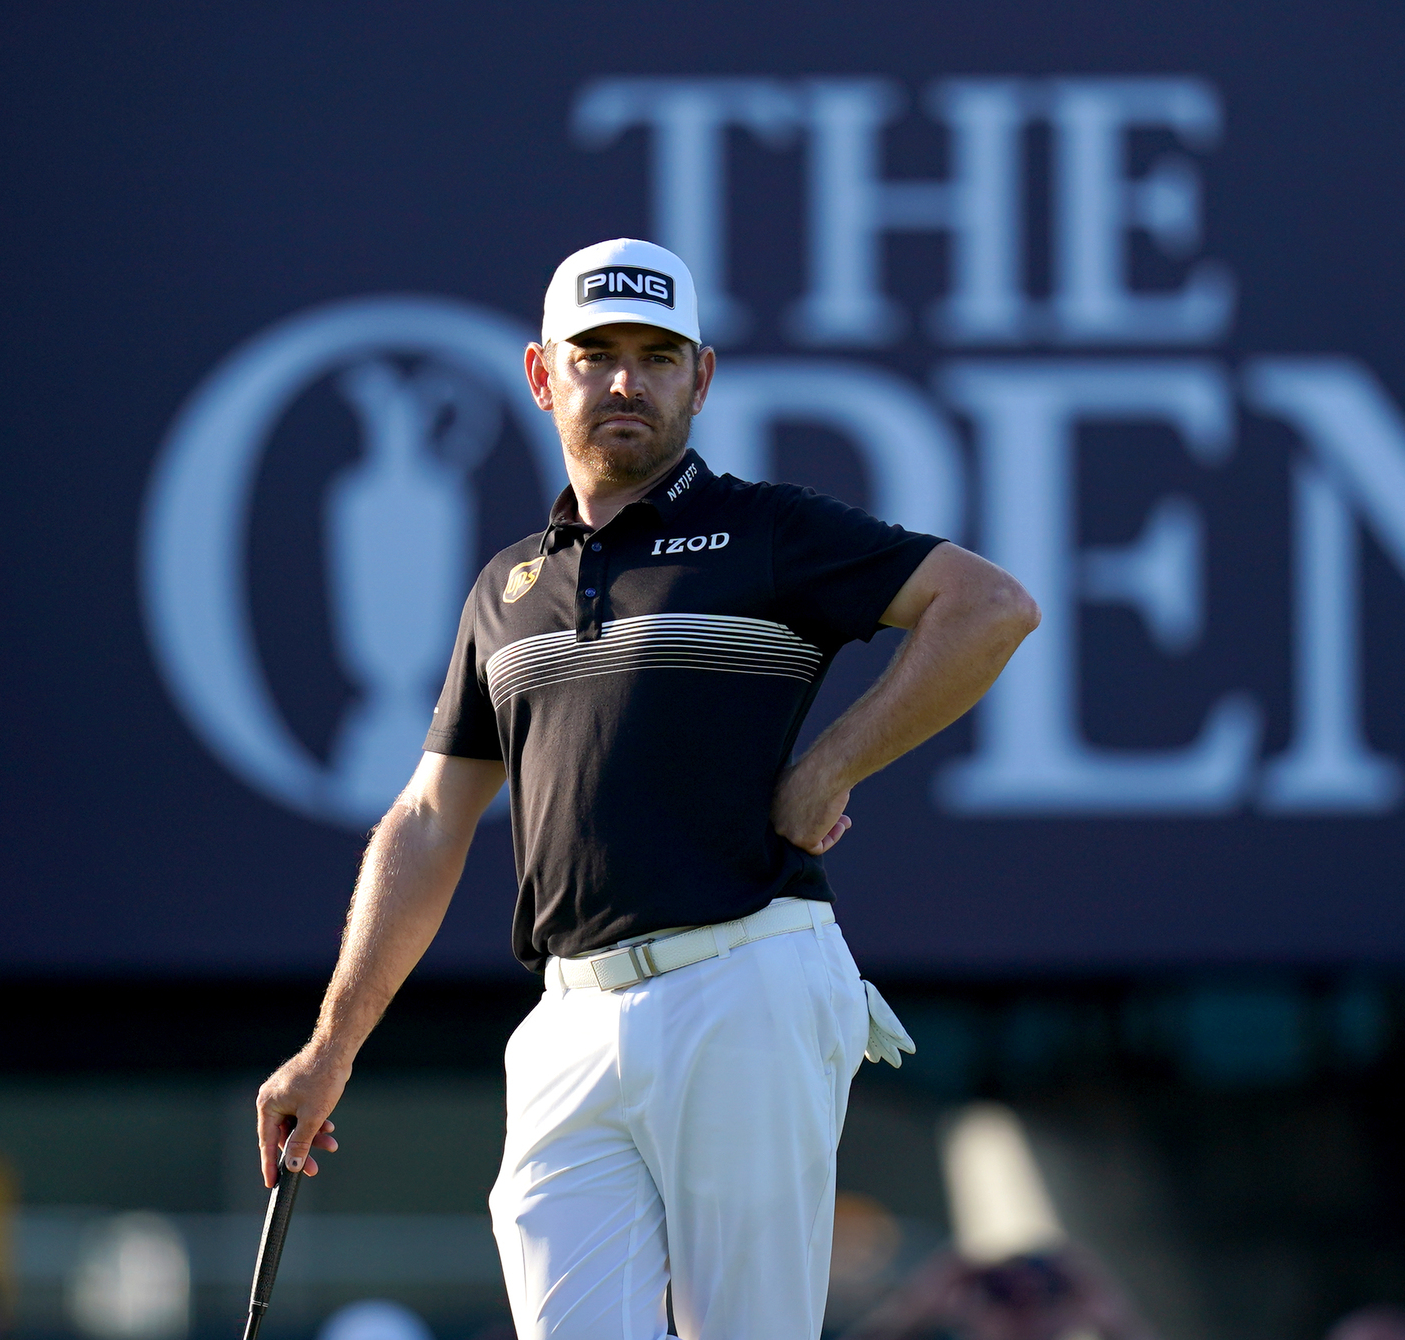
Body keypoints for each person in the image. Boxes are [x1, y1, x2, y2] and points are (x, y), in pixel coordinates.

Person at [253, 237, 1040, 1340]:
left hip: (744, 981)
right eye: (597, 354)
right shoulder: (505, 589)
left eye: (658, 356)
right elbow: (429, 818)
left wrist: (831, 764)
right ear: (543, 375)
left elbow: (989, 607)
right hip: (567, 1017)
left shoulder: (768, 530)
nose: (626, 381)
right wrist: (331, 1045)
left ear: (700, 378)